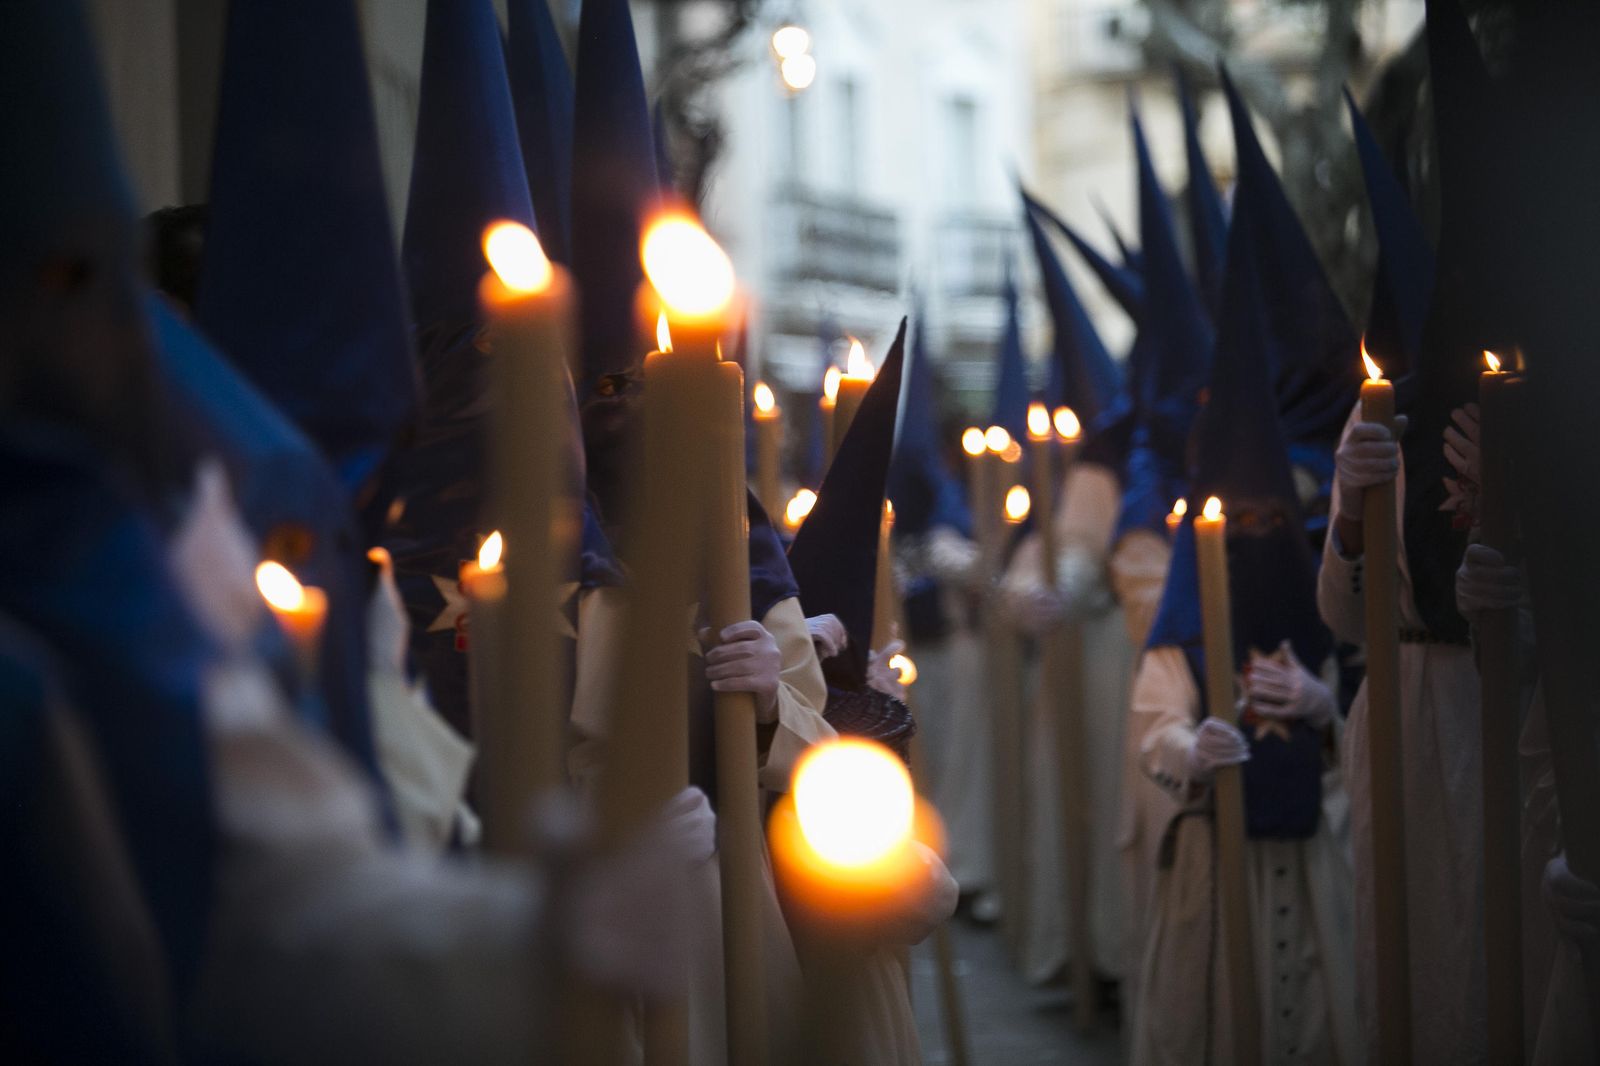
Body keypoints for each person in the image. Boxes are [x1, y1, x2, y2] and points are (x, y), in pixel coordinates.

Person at [1132, 200, 1356, 1064]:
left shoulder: (1318, 621)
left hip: (1307, 858)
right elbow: (1155, 725)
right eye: (1241, 519)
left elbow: (1352, 730)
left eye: (1273, 519)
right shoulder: (1179, 632)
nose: (1259, 532)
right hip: (1213, 867)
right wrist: (1196, 745)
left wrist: (1321, 705)